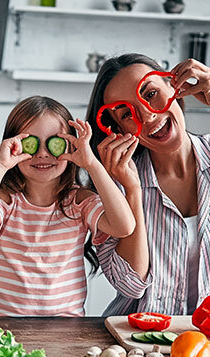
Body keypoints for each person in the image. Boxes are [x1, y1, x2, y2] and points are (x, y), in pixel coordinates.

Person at [0, 95, 136, 316]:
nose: (42, 153)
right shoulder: (7, 201)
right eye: (30, 143)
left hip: (63, 329)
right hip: (0, 325)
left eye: (54, 143)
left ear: (70, 146)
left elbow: (124, 226)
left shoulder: (78, 202)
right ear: (13, 146)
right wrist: (0, 165)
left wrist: (91, 163)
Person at [86, 53, 210, 316]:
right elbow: (130, 286)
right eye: (126, 113)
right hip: (139, 340)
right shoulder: (113, 188)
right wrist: (132, 190)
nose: (147, 115)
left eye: (150, 94)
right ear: (118, 129)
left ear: (174, 87)